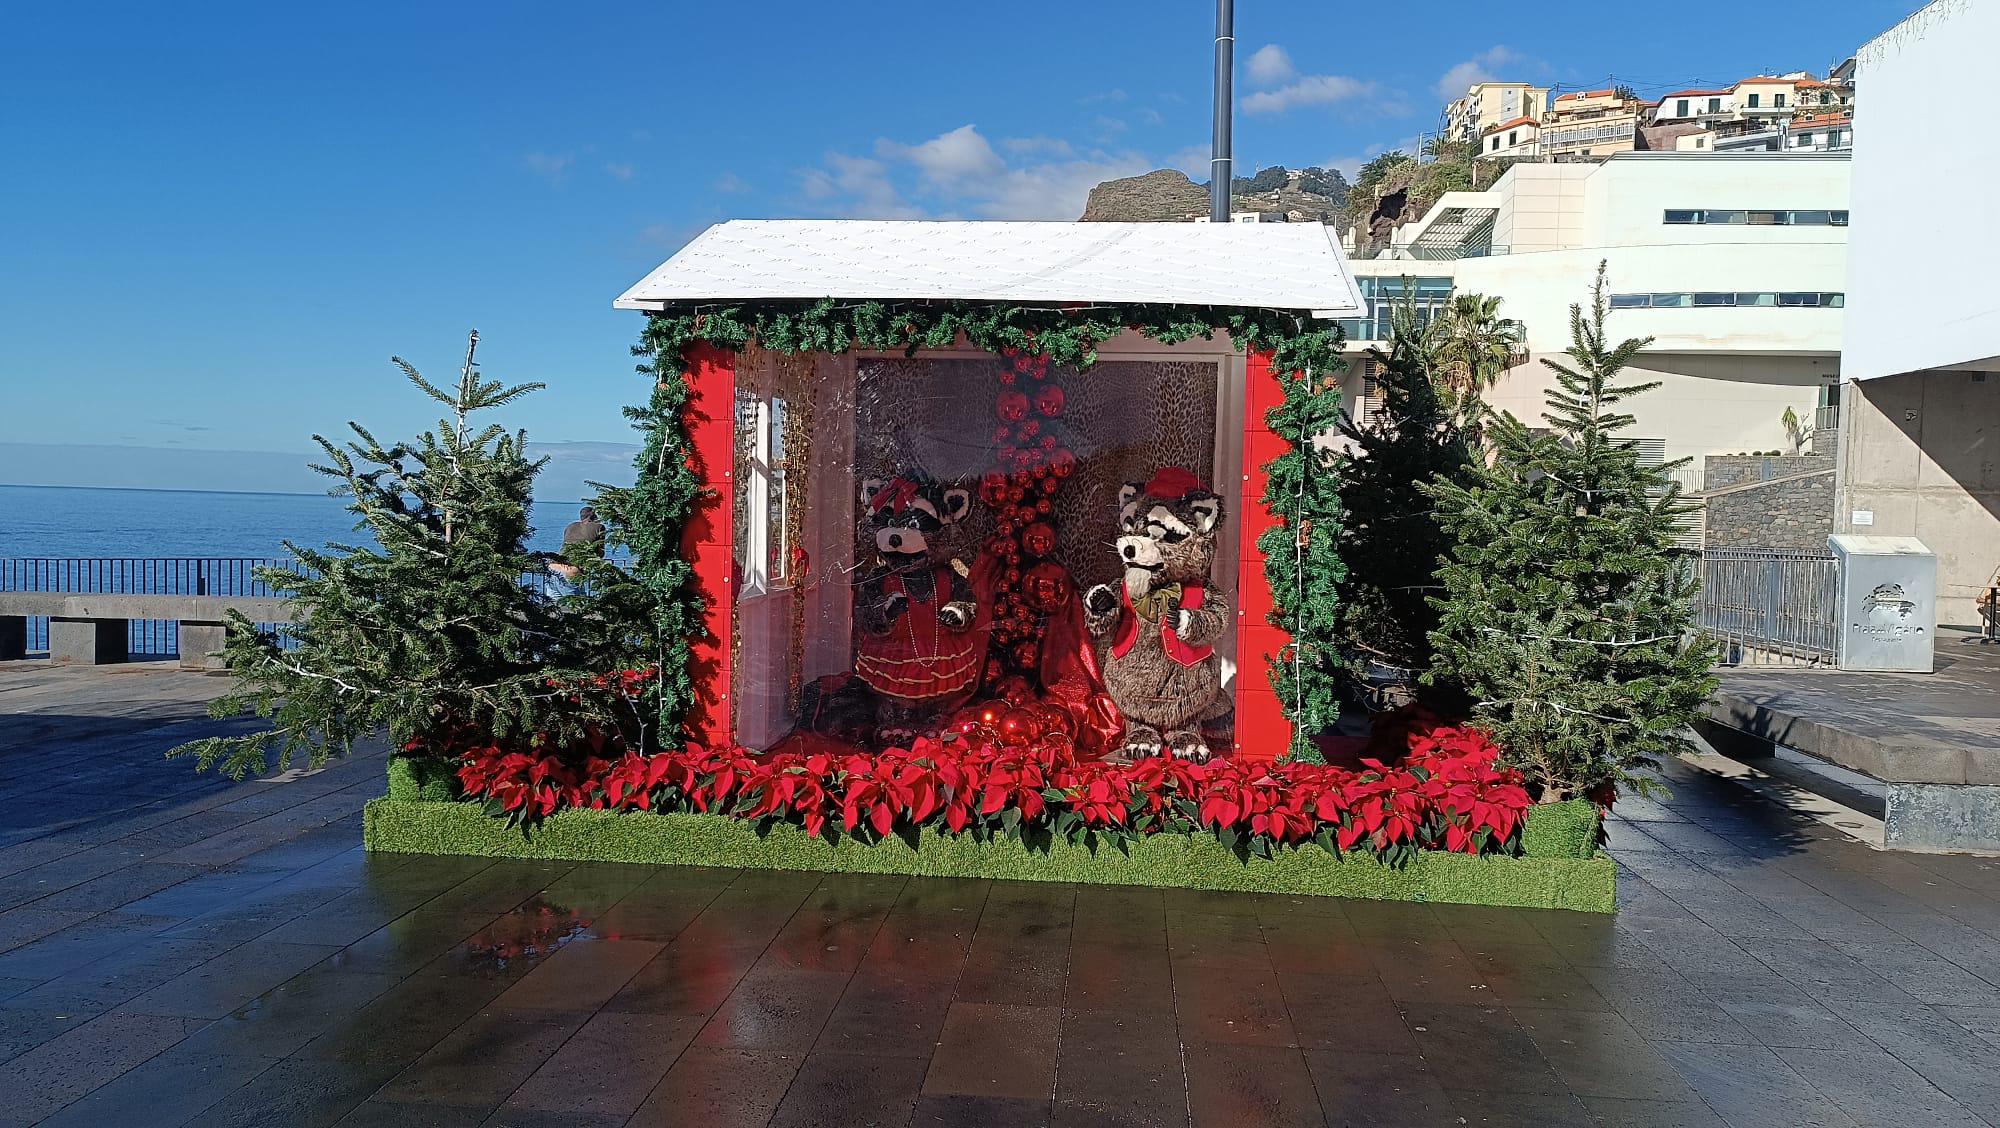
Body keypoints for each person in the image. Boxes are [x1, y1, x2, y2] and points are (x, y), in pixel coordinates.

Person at [551, 506, 606, 581]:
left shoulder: (570, 526)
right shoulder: (599, 527)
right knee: (575, 592)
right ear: (594, 516)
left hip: (555, 568)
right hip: (572, 571)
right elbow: (600, 553)